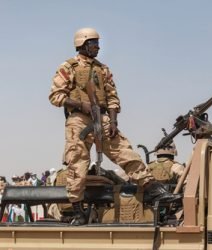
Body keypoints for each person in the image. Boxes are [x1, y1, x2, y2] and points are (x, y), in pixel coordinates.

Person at [49, 27, 179, 225]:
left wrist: (113, 121)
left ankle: (154, 190)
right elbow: (56, 96)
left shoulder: (103, 69)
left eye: (98, 44)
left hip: (101, 118)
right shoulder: (69, 67)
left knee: (125, 152)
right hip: (78, 120)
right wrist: (80, 104)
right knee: (77, 164)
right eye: (94, 44)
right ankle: (77, 211)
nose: (98, 47)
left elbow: (112, 97)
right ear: (83, 44)